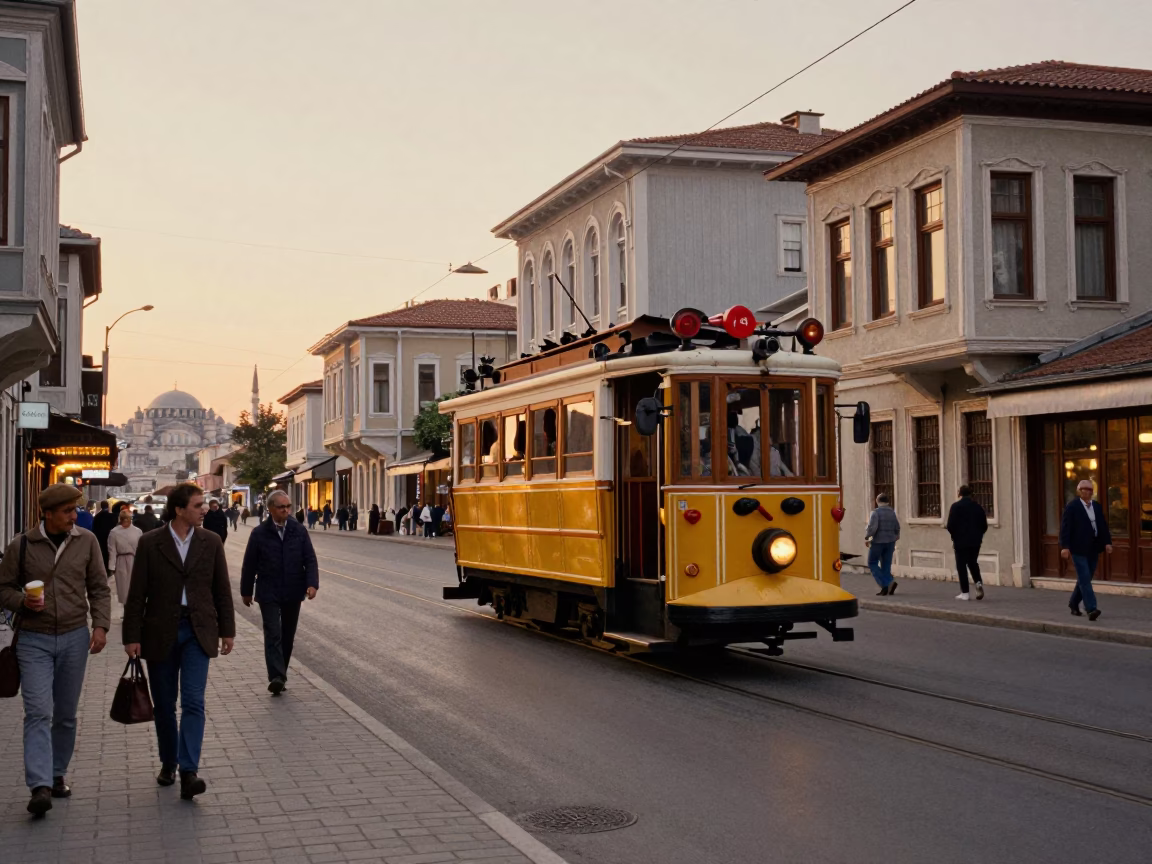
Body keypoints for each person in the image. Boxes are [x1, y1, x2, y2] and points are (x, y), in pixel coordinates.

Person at [0, 484, 111, 816]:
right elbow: (3, 588)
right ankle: (39, 786)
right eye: (66, 511)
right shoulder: (21, 546)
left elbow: (99, 586)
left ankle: (56, 772)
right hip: (33, 638)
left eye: (74, 510)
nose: (73, 516)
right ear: (46, 514)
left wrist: (101, 625)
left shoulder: (86, 541)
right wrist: (22, 601)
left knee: (64, 714)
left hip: (75, 636)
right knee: (38, 711)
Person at [123, 482, 235, 801]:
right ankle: (169, 761)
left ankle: (189, 770)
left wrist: (227, 630)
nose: (204, 509)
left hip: (198, 631)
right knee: (164, 705)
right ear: (179, 510)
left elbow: (221, 590)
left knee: (193, 701)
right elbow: (137, 595)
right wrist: (131, 637)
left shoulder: (210, 541)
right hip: (160, 631)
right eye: (198, 505)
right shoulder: (150, 543)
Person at [240, 489, 319, 697]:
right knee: (273, 633)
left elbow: (309, 559)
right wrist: (246, 591)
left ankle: (281, 675)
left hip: (293, 590)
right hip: (268, 591)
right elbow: (249, 565)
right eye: (281, 507)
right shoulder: (259, 533)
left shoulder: (298, 530)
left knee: (287, 635)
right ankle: (276, 676)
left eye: (287, 506)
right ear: (271, 509)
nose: (286, 510)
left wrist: (312, 584)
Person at [1059, 479, 1113, 621]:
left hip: (1094, 548)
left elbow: (1102, 526)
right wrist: (1065, 547)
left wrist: (1107, 543)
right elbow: (1065, 528)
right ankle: (1091, 609)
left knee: (1086, 578)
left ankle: (1073, 603)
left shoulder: (1096, 506)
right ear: (1079, 491)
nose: (1087, 492)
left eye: (1090, 490)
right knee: (1084, 577)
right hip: (1078, 548)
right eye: (1084, 489)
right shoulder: (1072, 507)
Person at [946, 485, 988, 601]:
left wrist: (955, 536)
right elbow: (984, 526)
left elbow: (950, 525)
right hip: (975, 541)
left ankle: (965, 593)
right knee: (973, 562)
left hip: (960, 541)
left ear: (960, 494)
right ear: (970, 494)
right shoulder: (978, 507)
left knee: (961, 565)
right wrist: (978, 536)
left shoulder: (956, 507)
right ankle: (978, 582)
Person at [864, 493, 900, 596]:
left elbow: (872, 528)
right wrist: (896, 536)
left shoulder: (875, 513)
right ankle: (886, 589)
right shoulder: (892, 512)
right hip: (890, 542)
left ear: (878, 501)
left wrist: (867, 537)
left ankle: (887, 583)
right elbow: (897, 527)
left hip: (878, 542)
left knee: (872, 562)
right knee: (886, 564)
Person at [107, 507, 143, 605]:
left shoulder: (137, 531)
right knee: (123, 588)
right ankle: (125, 608)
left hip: (134, 560)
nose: (126, 522)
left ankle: (132, 610)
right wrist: (112, 566)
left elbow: (141, 548)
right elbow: (112, 550)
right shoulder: (114, 532)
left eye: (127, 520)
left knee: (134, 586)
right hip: (121, 561)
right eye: (124, 520)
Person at [92, 500, 117, 572]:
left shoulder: (97, 517)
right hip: (110, 537)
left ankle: (104, 568)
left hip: (101, 538)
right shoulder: (112, 516)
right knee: (110, 553)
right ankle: (110, 568)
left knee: (103, 553)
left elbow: (94, 529)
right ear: (108, 506)